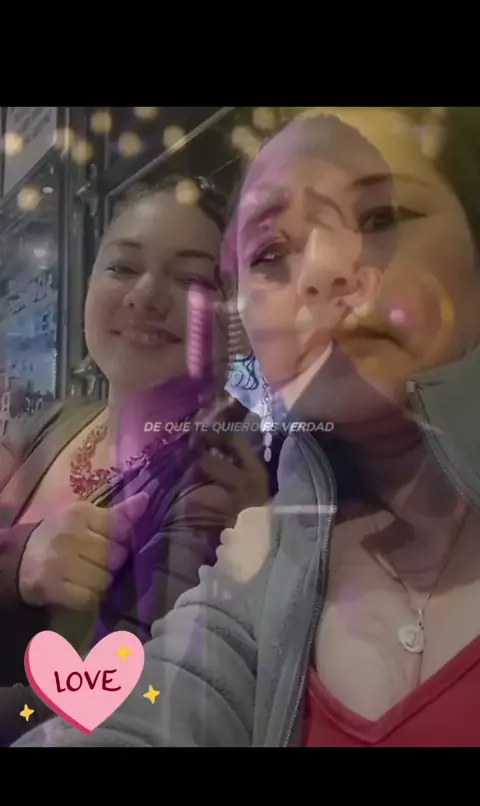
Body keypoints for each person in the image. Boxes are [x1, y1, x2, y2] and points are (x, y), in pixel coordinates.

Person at [16, 106, 480, 748]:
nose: (319, 270)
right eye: (271, 253)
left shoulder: (228, 480)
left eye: (381, 217)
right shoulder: (272, 549)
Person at [0, 174, 271, 746]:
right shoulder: (51, 423)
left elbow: (117, 702)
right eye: (123, 267)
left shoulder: (226, 472)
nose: (146, 297)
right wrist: (18, 564)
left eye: (193, 279)